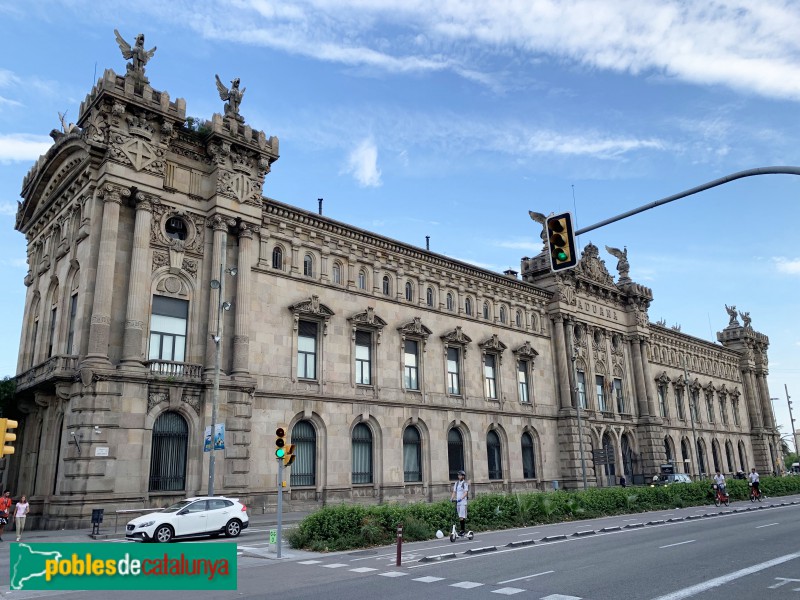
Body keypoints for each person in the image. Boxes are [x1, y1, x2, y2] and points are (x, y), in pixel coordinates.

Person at [450, 470, 469, 536]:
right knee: (459, 516)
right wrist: (451, 498)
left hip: (463, 502)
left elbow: (465, 492)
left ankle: (462, 530)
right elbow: (454, 492)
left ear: (463, 476)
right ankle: (461, 530)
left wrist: (461, 498)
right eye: (458, 475)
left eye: (460, 475)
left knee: (461, 516)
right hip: (458, 502)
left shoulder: (465, 484)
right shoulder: (456, 483)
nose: (459, 476)